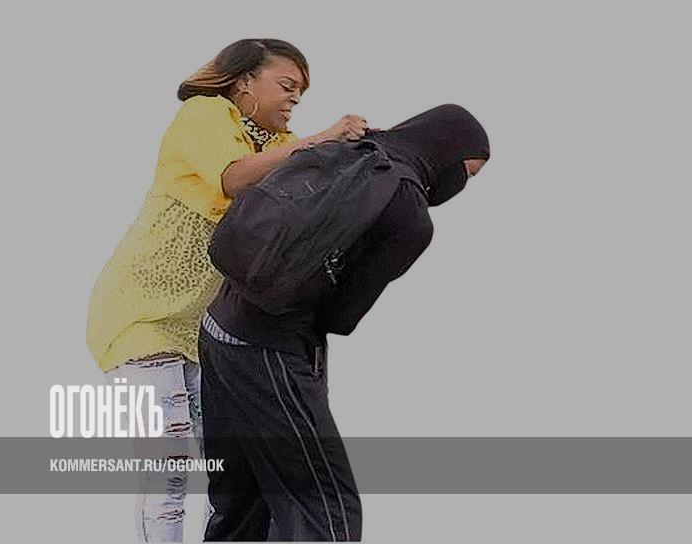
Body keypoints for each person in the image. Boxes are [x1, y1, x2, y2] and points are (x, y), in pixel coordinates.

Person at [85, 38, 369, 543]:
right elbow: (234, 179)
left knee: (230, 468)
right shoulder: (204, 115)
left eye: (301, 93)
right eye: (287, 85)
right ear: (244, 83)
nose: (294, 99)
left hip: (202, 332)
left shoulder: (281, 145)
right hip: (140, 317)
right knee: (170, 468)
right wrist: (323, 137)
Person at [199, 104, 491, 541]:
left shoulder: (347, 148)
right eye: (466, 173)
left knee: (242, 501)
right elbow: (341, 316)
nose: (460, 185)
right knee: (326, 506)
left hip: (216, 329)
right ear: (446, 153)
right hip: (270, 348)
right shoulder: (410, 211)